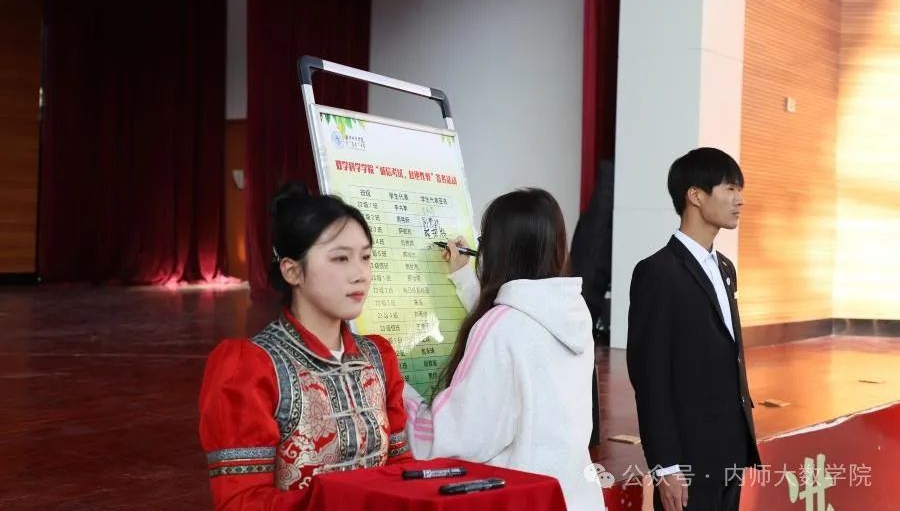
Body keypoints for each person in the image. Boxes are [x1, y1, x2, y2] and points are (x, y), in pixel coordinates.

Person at [198, 183, 412, 510]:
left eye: (366, 257)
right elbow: (241, 502)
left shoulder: (378, 357)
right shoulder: (252, 367)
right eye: (340, 258)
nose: (360, 274)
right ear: (292, 271)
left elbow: (402, 470)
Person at [404, 188, 606, 511]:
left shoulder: (502, 327)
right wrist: (463, 277)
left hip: (520, 499)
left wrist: (399, 392)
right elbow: (522, 329)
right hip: (576, 497)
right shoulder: (573, 312)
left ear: (499, 250)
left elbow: (458, 435)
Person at [626, 148, 761, 511]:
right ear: (696, 195)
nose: (739, 200)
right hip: (687, 459)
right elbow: (650, 377)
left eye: (740, 190)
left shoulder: (725, 268)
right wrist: (666, 466)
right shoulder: (657, 272)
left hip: (730, 453)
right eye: (730, 189)